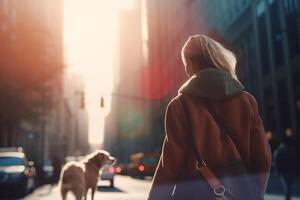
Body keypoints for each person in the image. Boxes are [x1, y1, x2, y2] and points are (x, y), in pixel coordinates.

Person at [148, 34, 272, 199]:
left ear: (189, 65)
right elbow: (262, 157)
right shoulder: (246, 100)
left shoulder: (179, 106)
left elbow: (169, 167)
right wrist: (256, 193)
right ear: (216, 58)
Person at [274, 134, 300, 200]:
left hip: (284, 171)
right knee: (288, 185)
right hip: (290, 170)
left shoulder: (280, 150)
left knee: (287, 185)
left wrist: (277, 170)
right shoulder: (291, 150)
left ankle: (287, 197)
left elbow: (276, 160)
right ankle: (288, 197)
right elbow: (296, 160)